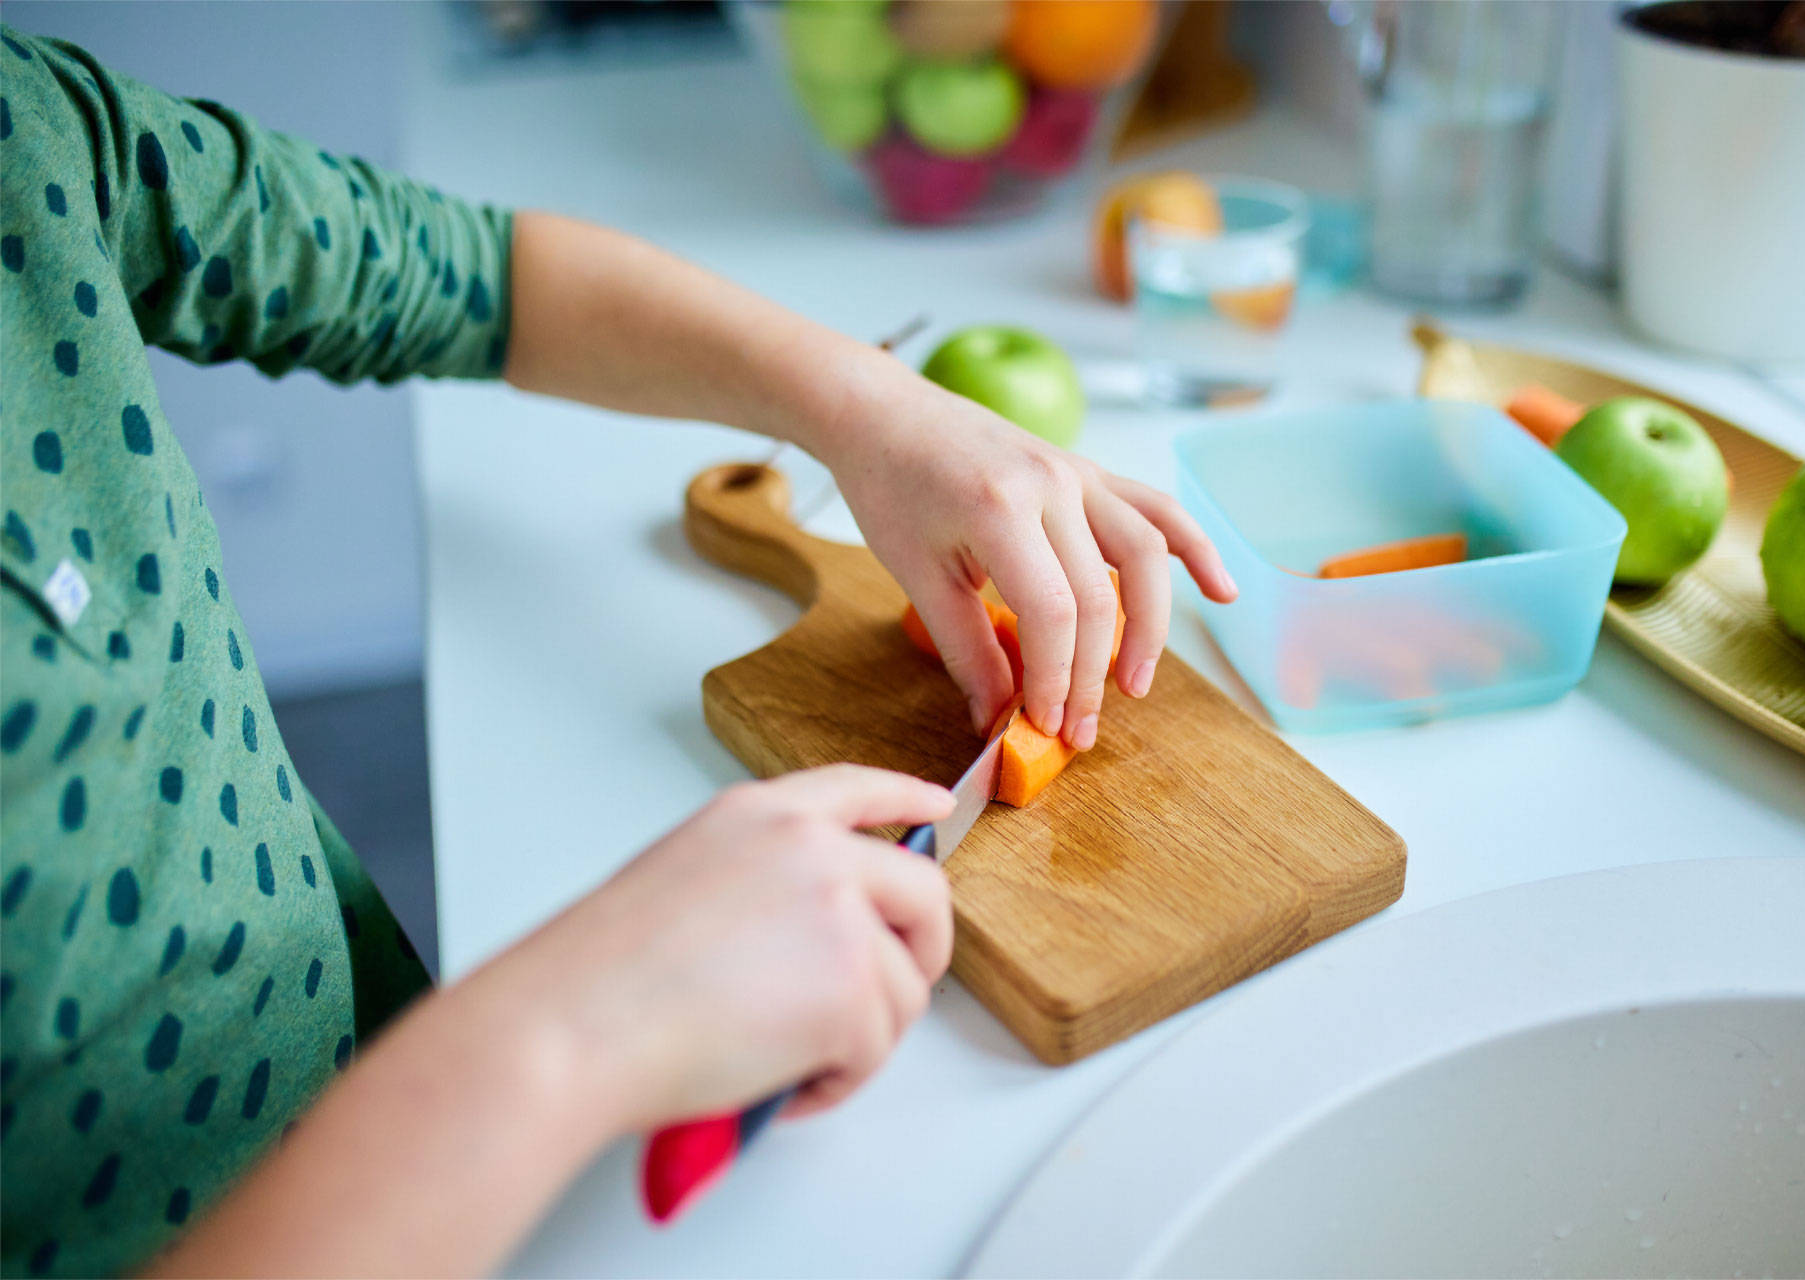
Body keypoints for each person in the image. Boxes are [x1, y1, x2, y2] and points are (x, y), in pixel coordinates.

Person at [0, 25, 1237, 1278]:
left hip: (397, 1083)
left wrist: (876, 411)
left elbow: (470, 275)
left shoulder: (25, 123)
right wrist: (573, 1023)